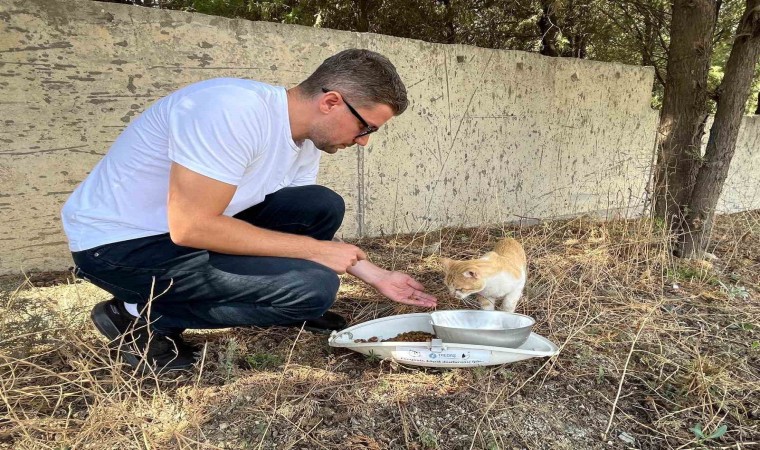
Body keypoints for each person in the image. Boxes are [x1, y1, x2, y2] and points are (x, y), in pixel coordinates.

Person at [61, 49, 437, 372]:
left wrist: (376, 274)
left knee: (319, 205)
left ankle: (278, 296)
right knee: (315, 288)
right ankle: (138, 316)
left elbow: (297, 225)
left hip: (179, 234)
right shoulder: (230, 110)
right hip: (120, 247)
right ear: (332, 102)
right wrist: (315, 253)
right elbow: (190, 227)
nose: (365, 141)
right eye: (365, 127)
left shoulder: (304, 140)